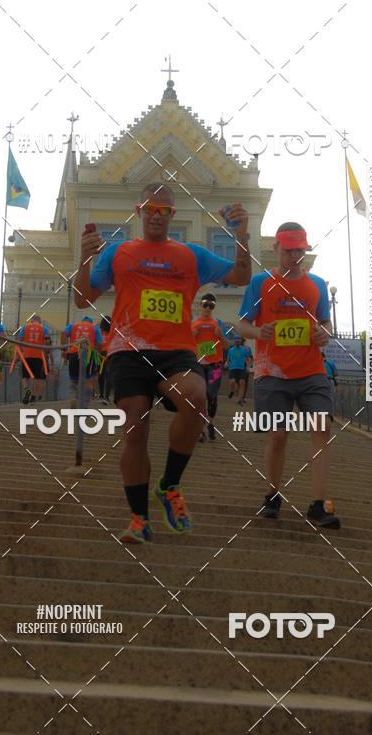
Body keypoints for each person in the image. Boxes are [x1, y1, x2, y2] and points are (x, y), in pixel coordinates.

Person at [74, 183, 250, 544]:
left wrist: (242, 235)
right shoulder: (120, 253)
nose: (156, 215)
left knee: (196, 396)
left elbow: (241, 276)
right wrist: (84, 259)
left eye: (164, 210)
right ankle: (139, 519)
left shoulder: (191, 255)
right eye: (151, 208)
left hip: (175, 351)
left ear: (172, 215)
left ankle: (169, 485)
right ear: (139, 211)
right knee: (135, 427)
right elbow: (81, 299)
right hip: (128, 350)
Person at [237, 222, 340, 529]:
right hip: (271, 373)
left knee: (322, 428)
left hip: (311, 370)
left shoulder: (317, 285)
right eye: (289, 249)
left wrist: (324, 334)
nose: (295, 255)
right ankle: (272, 494)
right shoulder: (261, 283)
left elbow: (326, 325)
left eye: (300, 249)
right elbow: (242, 325)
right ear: (277, 249)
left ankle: (319, 505)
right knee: (277, 434)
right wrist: (259, 331)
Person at [192, 293, 231, 442]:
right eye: (205, 304)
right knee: (200, 396)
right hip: (199, 365)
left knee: (211, 395)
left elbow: (227, 345)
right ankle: (201, 429)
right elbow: (187, 344)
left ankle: (211, 424)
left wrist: (220, 335)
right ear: (201, 305)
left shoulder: (218, 323)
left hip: (215, 365)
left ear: (214, 307)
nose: (208, 308)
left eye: (211, 305)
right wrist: (192, 335)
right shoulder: (194, 323)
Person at [62, 315, 102, 406]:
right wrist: (97, 356)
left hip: (73, 353)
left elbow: (63, 333)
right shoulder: (95, 328)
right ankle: (85, 403)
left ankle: (73, 398)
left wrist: (64, 350)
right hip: (88, 355)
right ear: (91, 322)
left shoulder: (73, 325)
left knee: (74, 380)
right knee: (88, 379)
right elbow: (99, 343)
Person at [17, 314, 51, 405]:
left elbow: (19, 340)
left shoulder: (25, 327)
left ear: (31, 321)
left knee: (24, 377)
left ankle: (27, 389)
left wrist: (21, 351)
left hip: (26, 355)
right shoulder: (44, 328)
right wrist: (45, 352)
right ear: (39, 321)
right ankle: (33, 398)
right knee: (35, 378)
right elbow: (47, 342)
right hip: (38, 356)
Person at [226, 335, 253, 404]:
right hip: (233, 368)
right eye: (236, 340)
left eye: (240, 340)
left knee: (242, 383)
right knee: (233, 382)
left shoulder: (246, 349)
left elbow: (250, 358)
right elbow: (228, 359)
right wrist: (229, 366)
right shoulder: (231, 350)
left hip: (242, 368)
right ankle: (233, 392)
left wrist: (248, 367)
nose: (238, 342)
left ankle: (241, 399)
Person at [98, 315, 112, 405]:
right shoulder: (112, 332)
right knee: (108, 375)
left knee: (101, 374)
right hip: (109, 353)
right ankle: (106, 396)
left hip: (99, 354)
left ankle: (101, 395)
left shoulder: (99, 332)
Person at [323, 350, 338, 421]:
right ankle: (330, 415)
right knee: (330, 398)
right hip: (330, 380)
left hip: (320, 381)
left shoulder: (317, 363)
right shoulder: (330, 362)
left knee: (320, 397)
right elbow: (336, 373)